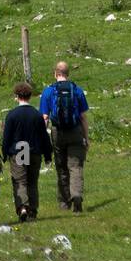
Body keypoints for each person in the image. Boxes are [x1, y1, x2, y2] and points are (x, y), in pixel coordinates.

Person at [40, 62, 89, 213]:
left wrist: (43, 138)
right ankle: (77, 196)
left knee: (61, 168)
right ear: (68, 73)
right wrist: (86, 138)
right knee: (75, 166)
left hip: (57, 132)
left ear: (55, 73)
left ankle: (64, 202)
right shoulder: (77, 90)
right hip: (75, 131)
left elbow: (45, 117)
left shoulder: (48, 92)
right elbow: (83, 117)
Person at [2, 82, 52, 222]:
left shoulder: (12, 115)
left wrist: (4, 153)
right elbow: (44, 137)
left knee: (20, 181)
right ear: (30, 96)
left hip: (19, 151)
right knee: (32, 182)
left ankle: (23, 206)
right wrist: (48, 154)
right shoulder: (37, 115)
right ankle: (33, 211)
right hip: (34, 151)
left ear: (17, 96)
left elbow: (7, 137)